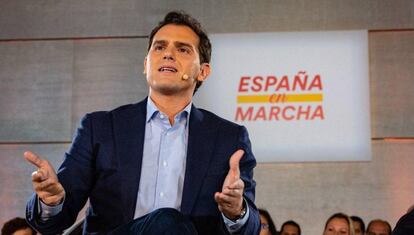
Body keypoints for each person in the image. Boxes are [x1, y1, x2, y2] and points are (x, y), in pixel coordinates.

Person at [24, 11, 260, 235]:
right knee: (167, 221)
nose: (168, 54)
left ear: (203, 72)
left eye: (183, 49)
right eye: (159, 47)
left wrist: (236, 211)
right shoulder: (100, 128)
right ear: (146, 64)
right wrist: (50, 201)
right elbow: (54, 221)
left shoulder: (228, 138)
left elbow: (250, 228)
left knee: (169, 223)